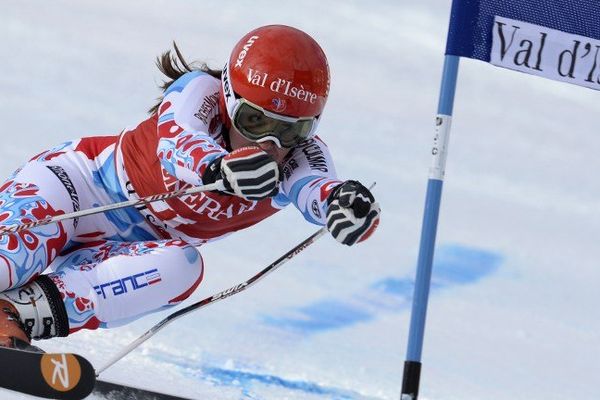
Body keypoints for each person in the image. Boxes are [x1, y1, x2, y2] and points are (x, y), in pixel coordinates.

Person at [0, 24, 380, 349]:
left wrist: (346, 206)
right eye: (254, 121)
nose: (271, 144)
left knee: (183, 267)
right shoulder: (199, 92)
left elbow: (318, 190)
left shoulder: (299, 156)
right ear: (229, 99)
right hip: (76, 188)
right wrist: (217, 169)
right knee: (10, 264)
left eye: (290, 130)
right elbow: (178, 141)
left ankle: (12, 317)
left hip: (120, 252)